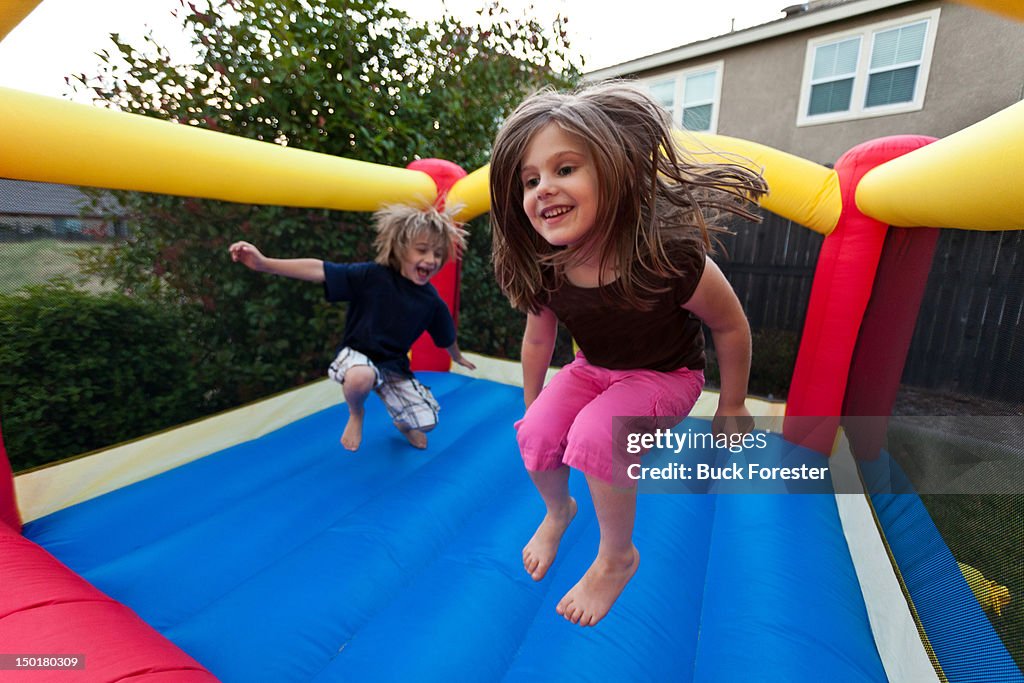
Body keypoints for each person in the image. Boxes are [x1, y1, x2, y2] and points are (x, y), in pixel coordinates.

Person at [489, 81, 768, 627]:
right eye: (530, 179)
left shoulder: (667, 257)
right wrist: (534, 405)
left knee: (597, 435)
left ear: (614, 171)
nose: (544, 187)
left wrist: (730, 404)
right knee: (538, 433)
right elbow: (538, 341)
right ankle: (558, 510)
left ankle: (618, 556)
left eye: (565, 169)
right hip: (593, 369)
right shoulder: (548, 267)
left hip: (667, 375)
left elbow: (730, 327)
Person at [229, 204, 475, 451]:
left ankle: (403, 422)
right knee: (362, 377)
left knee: (427, 422)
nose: (431, 260)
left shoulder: (431, 301)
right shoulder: (373, 276)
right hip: (357, 355)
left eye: (438, 254)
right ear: (401, 249)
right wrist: (265, 264)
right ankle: (356, 413)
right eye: (422, 250)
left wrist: (457, 357)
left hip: (392, 365)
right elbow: (320, 270)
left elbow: (446, 335)